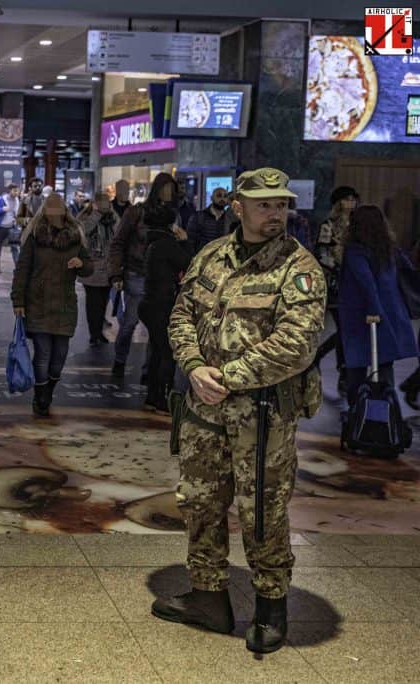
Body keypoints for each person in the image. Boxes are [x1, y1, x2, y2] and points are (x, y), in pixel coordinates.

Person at [155, 168, 326, 654]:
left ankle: (272, 604)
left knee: (262, 509)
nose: (275, 213)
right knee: (201, 500)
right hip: (203, 409)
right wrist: (192, 365)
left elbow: (296, 343)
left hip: (263, 414)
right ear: (238, 206)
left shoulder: (298, 267)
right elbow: (182, 314)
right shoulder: (211, 255)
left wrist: (225, 377)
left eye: (281, 204)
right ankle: (208, 597)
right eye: (264, 204)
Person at [11, 193, 93, 416]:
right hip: (38, 303)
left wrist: (81, 263)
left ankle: (48, 389)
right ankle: (41, 396)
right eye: (50, 207)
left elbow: (89, 267)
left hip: (65, 305)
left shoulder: (75, 236)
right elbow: (22, 270)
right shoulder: (35, 236)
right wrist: (18, 300)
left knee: (59, 358)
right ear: (45, 210)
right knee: (43, 354)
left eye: (58, 207)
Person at [338, 205, 418, 405]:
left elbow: (366, 283)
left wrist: (373, 310)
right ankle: (388, 415)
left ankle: (358, 415)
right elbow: (408, 272)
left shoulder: (355, 250)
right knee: (384, 366)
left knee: (356, 367)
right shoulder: (389, 248)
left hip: (363, 316)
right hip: (390, 313)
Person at [108, 173, 181, 379]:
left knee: (157, 328)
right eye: (166, 189)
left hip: (163, 277)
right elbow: (118, 242)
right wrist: (116, 274)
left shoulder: (173, 214)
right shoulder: (137, 212)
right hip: (137, 273)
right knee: (130, 322)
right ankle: (120, 360)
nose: (169, 193)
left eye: (172, 190)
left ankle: (149, 371)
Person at [138, 217, 193, 412]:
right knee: (166, 353)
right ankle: (163, 397)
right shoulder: (168, 245)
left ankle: (153, 396)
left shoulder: (151, 243)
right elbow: (189, 263)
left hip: (149, 302)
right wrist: (185, 241)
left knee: (156, 350)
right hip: (162, 303)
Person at [314, 186, 359, 391]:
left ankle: (325, 358)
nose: (351, 203)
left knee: (347, 329)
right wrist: (337, 269)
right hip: (335, 281)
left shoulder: (358, 225)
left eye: (353, 199)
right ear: (338, 202)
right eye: (346, 199)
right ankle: (342, 370)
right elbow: (321, 252)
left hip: (355, 280)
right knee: (344, 327)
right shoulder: (328, 225)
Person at [77, 192, 119, 347]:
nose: (104, 206)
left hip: (107, 268)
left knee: (103, 303)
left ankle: (99, 332)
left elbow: (119, 231)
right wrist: (97, 214)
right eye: (101, 203)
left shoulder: (112, 218)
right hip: (92, 268)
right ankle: (93, 334)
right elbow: (84, 231)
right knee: (93, 303)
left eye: (106, 203)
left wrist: (111, 212)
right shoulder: (84, 217)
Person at [0, 184, 21, 274]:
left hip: (12, 227)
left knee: (14, 247)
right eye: (15, 191)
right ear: (10, 190)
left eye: (18, 191)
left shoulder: (17, 200)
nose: (17, 193)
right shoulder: (1, 199)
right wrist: (2, 209)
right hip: (1, 227)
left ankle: (18, 268)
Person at [186, 187, 230, 254]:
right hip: (203, 257)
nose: (222, 199)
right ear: (212, 198)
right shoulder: (198, 217)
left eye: (225, 196)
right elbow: (191, 240)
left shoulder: (229, 218)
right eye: (219, 196)